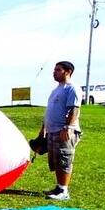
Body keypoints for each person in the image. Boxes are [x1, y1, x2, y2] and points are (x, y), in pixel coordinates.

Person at [36, 61, 82, 201]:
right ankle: (59, 187)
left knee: (64, 159)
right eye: (54, 69)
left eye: (58, 70)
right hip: (52, 131)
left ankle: (64, 191)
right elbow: (49, 111)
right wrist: (43, 130)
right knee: (56, 161)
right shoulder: (56, 90)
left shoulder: (72, 88)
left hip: (64, 131)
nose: (54, 72)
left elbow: (74, 109)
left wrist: (67, 128)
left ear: (67, 72)